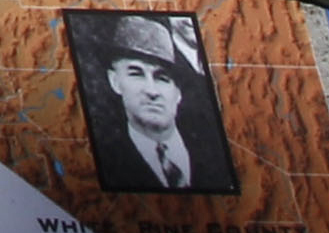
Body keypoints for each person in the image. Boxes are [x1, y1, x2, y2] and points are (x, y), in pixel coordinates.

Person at [75, 14, 238, 195]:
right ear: (114, 81)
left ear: (178, 92)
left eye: (162, 78)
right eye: (136, 74)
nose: (152, 91)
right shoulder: (103, 160)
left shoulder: (218, 154)